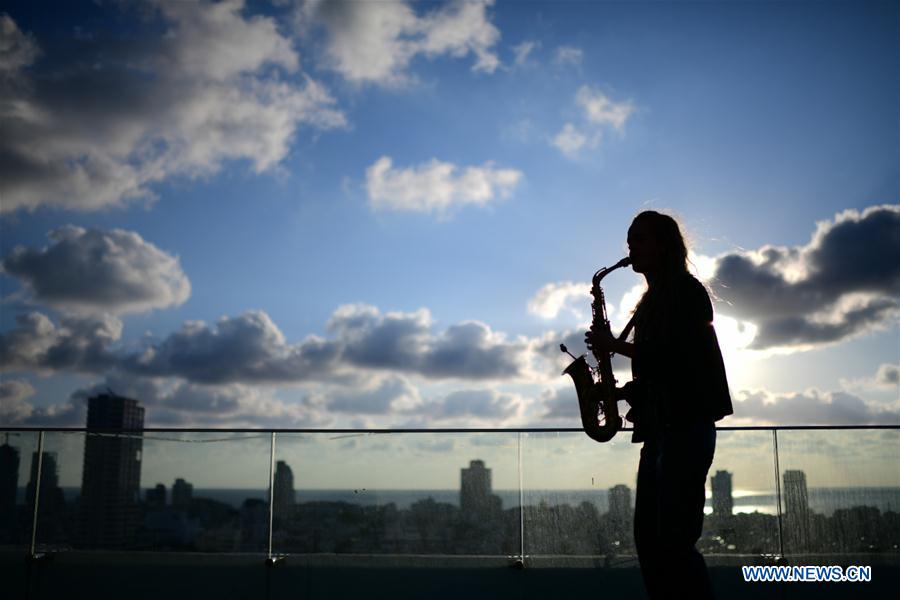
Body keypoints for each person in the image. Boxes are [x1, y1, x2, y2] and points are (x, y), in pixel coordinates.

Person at [585, 210, 733, 600]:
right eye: (629, 240)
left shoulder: (686, 291)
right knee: (651, 543)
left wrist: (613, 345)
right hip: (662, 430)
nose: (631, 248)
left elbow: (674, 357)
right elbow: (659, 375)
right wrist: (617, 394)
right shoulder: (650, 302)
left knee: (674, 544)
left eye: (640, 240)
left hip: (684, 430)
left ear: (665, 245)